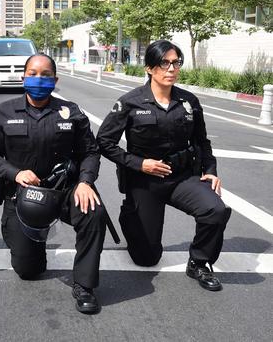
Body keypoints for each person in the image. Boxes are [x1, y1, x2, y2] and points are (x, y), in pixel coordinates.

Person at [96, 40, 230, 291]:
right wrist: (139, 164)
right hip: (144, 181)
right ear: (149, 68)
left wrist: (210, 172)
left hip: (181, 178)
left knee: (216, 210)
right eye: (164, 63)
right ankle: (132, 216)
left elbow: (202, 142)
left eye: (176, 63)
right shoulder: (130, 102)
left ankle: (199, 262)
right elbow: (104, 142)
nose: (171, 69)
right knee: (146, 259)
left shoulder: (189, 102)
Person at [0, 53, 109, 314]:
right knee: (28, 270)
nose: (39, 79)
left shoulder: (71, 112)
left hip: (65, 190)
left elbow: (90, 152)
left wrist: (85, 182)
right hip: (24, 196)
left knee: (94, 213)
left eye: (46, 75)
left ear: (55, 79)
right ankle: (32, 244)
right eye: (33, 74)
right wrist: (15, 173)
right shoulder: (3, 112)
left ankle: (84, 285)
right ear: (23, 77)